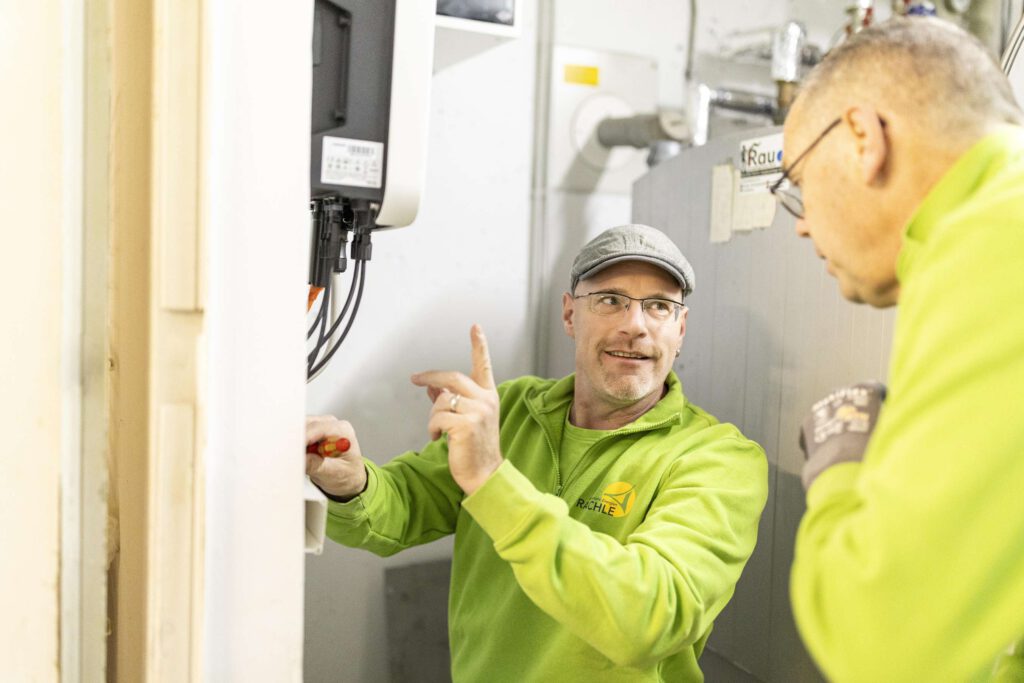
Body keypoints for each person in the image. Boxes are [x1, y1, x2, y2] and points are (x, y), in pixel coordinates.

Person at [306, 224, 767, 682]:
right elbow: (402, 507)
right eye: (610, 300)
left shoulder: (719, 459)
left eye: (659, 307)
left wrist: (492, 480)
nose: (635, 325)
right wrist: (351, 483)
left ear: (680, 328)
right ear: (569, 315)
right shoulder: (511, 411)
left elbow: (649, 619)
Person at [775, 18, 1024, 680]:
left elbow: (882, 641)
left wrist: (841, 461)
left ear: (862, 137)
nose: (801, 223)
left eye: (799, 181)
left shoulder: (993, 238)